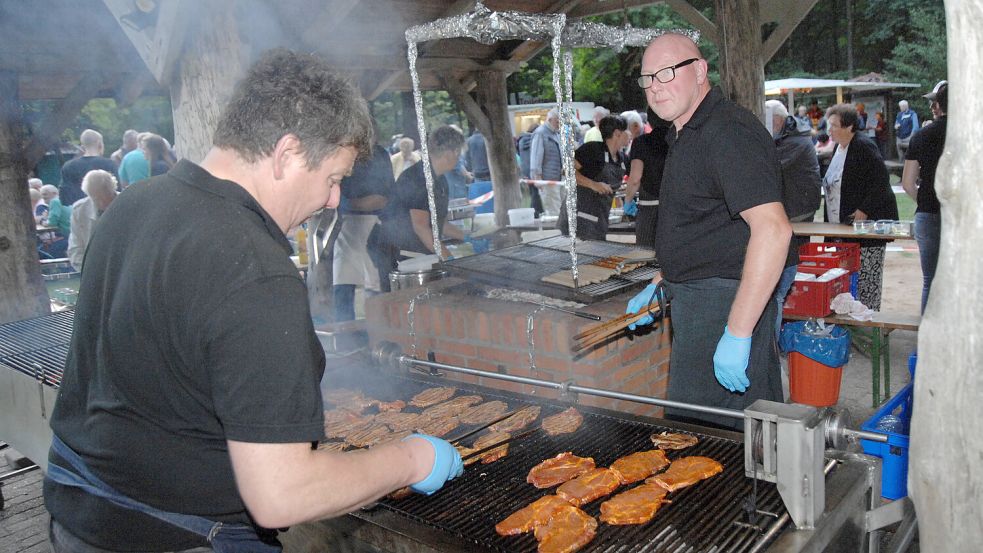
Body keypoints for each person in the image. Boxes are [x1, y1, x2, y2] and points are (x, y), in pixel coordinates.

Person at [44, 50, 463, 553]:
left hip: (77, 514)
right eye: (333, 178)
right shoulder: (256, 271)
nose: (333, 200)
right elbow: (281, 495)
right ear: (286, 153)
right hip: (178, 536)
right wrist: (412, 458)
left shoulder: (135, 203)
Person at [626, 33, 791, 430]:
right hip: (694, 301)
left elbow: (773, 230)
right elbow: (705, 223)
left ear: (700, 70)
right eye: (648, 79)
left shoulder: (728, 131)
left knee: (725, 442)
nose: (656, 87)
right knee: (693, 433)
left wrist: (737, 333)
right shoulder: (683, 132)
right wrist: (663, 281)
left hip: (728, 304)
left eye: (666, 73)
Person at [371, 125, 467, 291]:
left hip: (415, 252)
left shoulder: (440, 180)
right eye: (459, 153)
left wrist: (468, 238)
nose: (459, 158)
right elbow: (421, 227)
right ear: (451, 153)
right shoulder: (420, 178)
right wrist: (448, 258)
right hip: (398, 254)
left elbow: (439, 223)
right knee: (405, 307)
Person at [822, 103, 899, 311]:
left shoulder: (864, 146)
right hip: (844, 228)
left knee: (867, 276)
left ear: (849, 127)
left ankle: (868, 319)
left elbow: (881, 182)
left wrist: (864, 208)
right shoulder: (839, 148)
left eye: (834, 125)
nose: (829, 130)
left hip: (867, 229)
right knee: (845, 276)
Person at [765, 100, 822, 333]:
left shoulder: (795, 141)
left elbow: (769, 166)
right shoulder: (793, 135)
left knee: (782, 277)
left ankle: (777, 334)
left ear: (777, 121)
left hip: (797, 210)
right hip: (791, 210)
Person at [333, 142, 393, 321]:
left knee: (375, 287)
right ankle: (346, 340)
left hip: (374, 226)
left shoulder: (378, 153)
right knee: (343, 287)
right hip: (345, 227)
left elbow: (382, 199)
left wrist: (347, 203)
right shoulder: (340, 150)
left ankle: (379, 333)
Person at [901, 80, 947, 314]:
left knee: (931, 280)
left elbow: (907, 183)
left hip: (928, 211)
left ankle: (929, 341)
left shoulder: (922, 135)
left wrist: (925, 199)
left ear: (939, 105)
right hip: (965, 216)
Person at [558, 115, 629, 240]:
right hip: (577, 219)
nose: (629, 134)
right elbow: (567, 171)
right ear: (618, 133)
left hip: (599, 220)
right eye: (626, 131)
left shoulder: (622, 159)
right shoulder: (593, 150)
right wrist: (593, 184)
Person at [623, 108, 670, 248]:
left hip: (649, 209)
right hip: (675, 208)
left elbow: (635, 177)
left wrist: (627, 201)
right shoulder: (680, 140)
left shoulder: (642, 142)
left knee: (646, 256)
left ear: (649, 121)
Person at [66, 169, 118, 272]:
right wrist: (87, 271)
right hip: (93, 268)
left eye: (106, 196)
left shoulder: (129, 204)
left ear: (113, 190)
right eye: (96, 198)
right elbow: (76, 247)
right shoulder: (79, 210)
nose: (102, 202)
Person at [59, 129, 117, 206]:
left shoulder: (68, 166)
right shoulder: (109, 164)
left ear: (82, 146)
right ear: (100, 144)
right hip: (104, 211)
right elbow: (116, 192)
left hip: (78, 211)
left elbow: (64, 196)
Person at [529, 109, 564, 216]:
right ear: (550, 120)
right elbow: (536, 158)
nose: (559, 124)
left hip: (559, 178)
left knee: (561, 210)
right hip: (547, 179)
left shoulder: (556, 133)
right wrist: (537, 178)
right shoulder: (540, 133)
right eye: (558, 122)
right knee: (554, 211)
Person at [38, 184, 70, 258]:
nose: (43, 197)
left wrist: (42, 221)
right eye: (42, 195)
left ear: (54, 193)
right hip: (68, 235)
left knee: (43, 251)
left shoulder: (55, 201)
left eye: (45, 194)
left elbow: (51, 222)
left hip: (66, 236)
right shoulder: (61, 200)